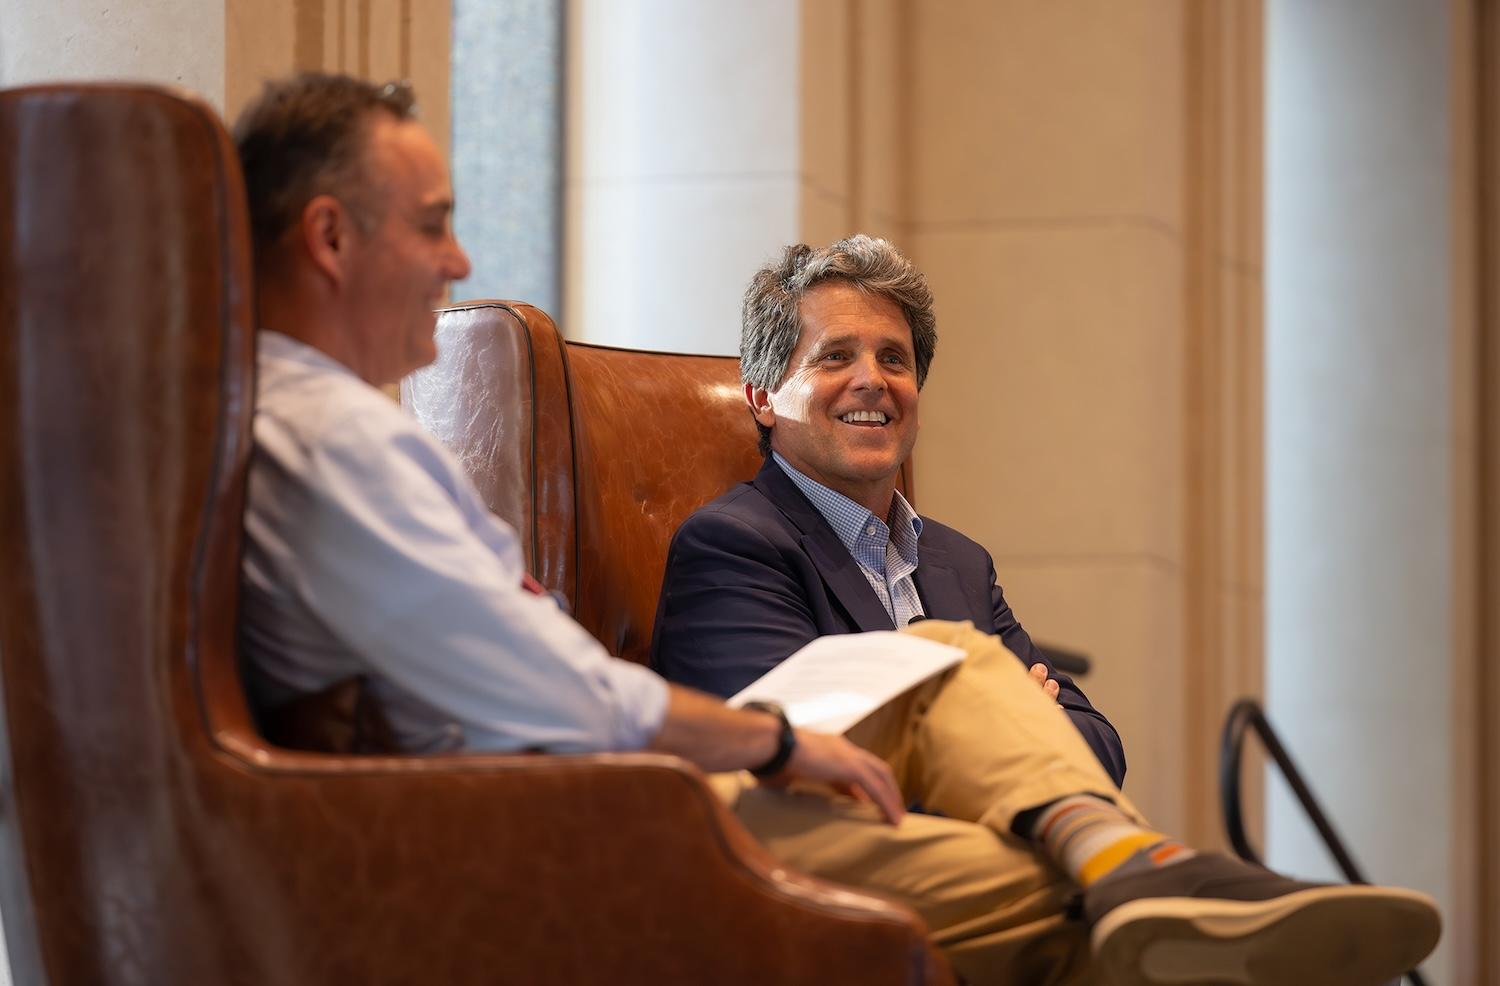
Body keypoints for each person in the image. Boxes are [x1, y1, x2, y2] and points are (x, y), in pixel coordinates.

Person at [233, 74, 1440, 986]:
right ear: (332, 238)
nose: (460, 256)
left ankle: (1138, 872)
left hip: (608, 798)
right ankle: (1155, 876)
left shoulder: (341, 429)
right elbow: (551, 690)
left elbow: (1095, 734)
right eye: (432, 221)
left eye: (897, 357)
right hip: (575, 824)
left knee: (1051, 821)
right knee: (1036, 819)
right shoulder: (341, 441)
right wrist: (766, 742)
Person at [650, 237, 1123, 783]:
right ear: (762, 397)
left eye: (893, 359)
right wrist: (1006, 716)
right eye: (836, 356)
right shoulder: (731, 548)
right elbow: (805, 764)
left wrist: (948, 726)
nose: (873, 381)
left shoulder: (962, 562)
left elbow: (1102, 747)